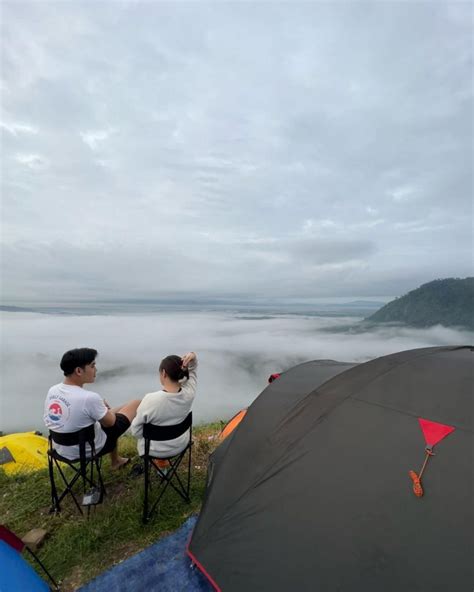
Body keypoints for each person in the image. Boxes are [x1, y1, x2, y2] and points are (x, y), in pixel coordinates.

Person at [44, 347, 141, 469]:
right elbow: (111, 423)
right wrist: (103, 408)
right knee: (136, 403)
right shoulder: (89, 398)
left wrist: (101, 408)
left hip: (61, 449)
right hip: (88, 449)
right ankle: (149, 449)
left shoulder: (53, 391)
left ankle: (116, 461)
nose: (96, 369)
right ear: (79, 371)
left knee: (109, 413)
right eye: (92, 366)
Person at [131, 351, 197, 461]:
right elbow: (193, 373)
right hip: (180, 444)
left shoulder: (150, 400)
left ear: (164, 373)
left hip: (154, 450)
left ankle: (161, 466)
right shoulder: (189, 394)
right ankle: (163, 467)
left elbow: (136, 431)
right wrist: (193, 358)